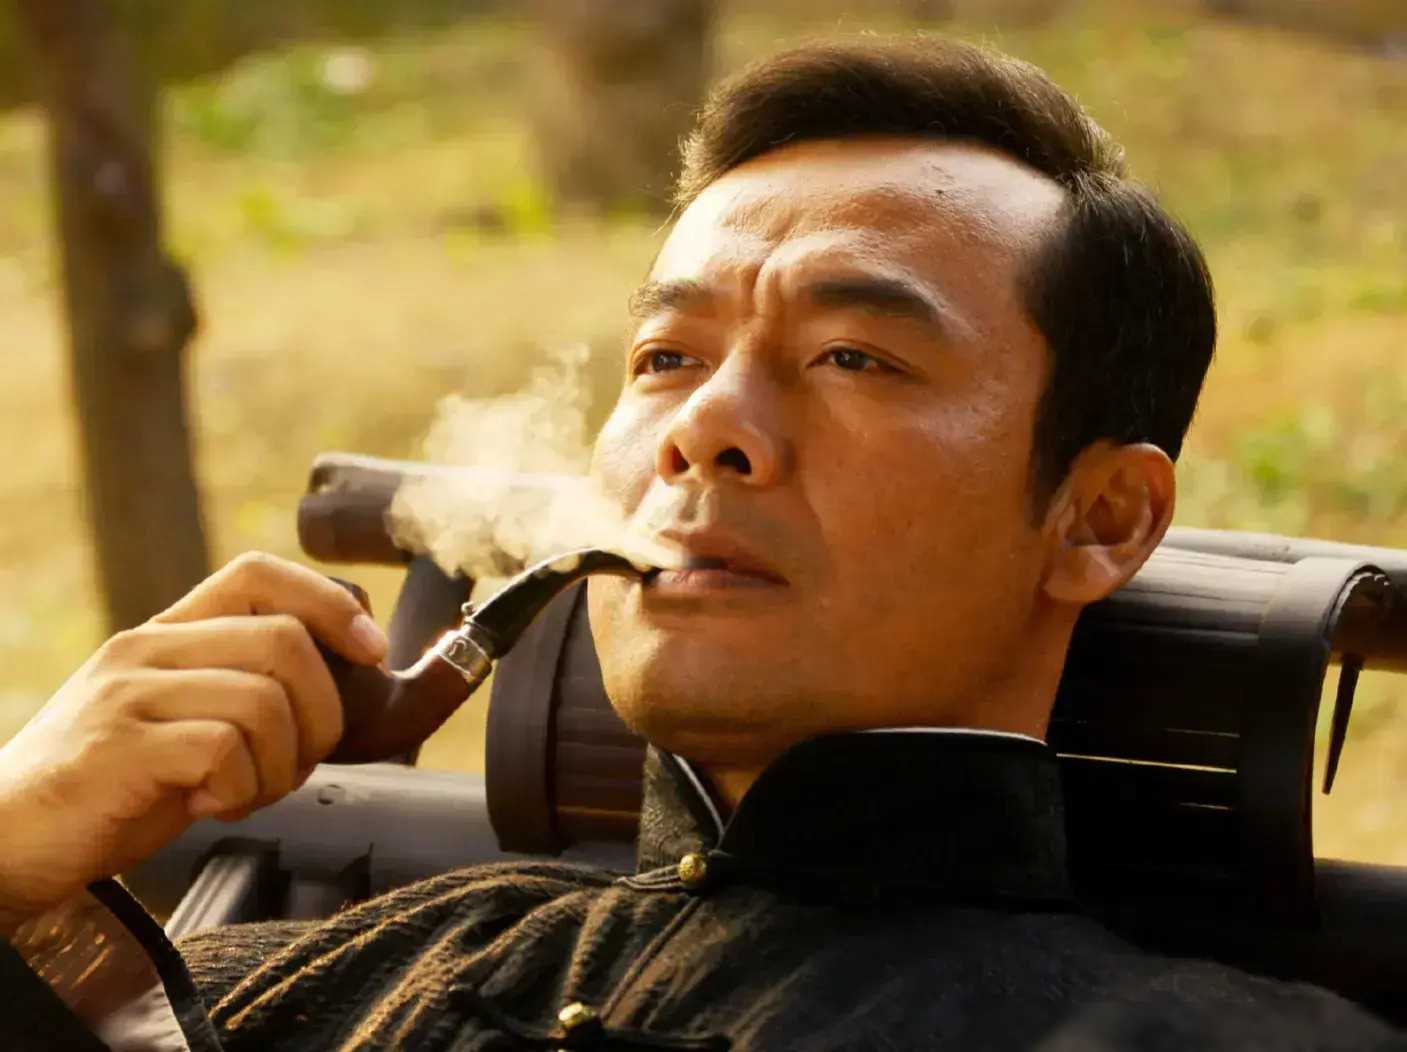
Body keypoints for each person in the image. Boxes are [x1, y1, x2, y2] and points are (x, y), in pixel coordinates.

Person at [1, 35, 1401, 1052]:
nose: (707, 427)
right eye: (667, 357)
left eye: (853, 356)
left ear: (1100, 519)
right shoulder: (319, 984)